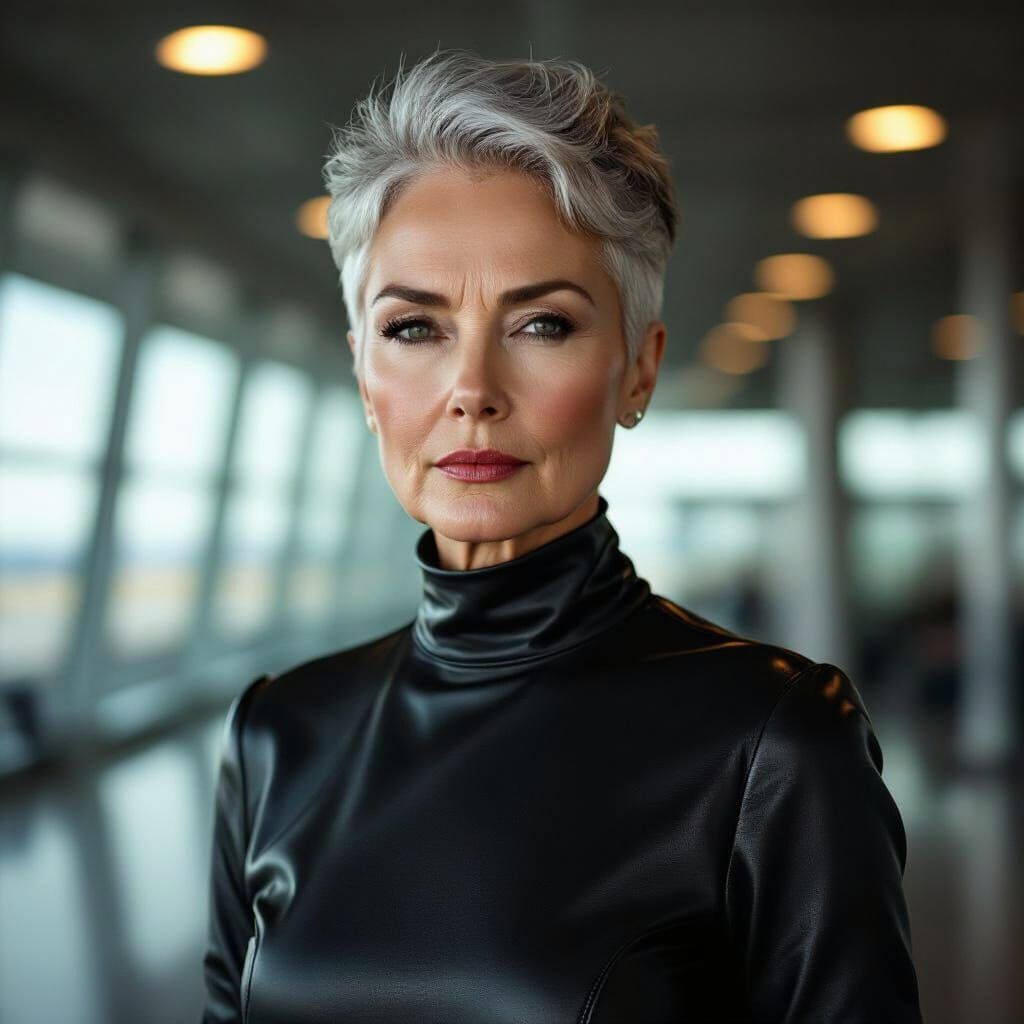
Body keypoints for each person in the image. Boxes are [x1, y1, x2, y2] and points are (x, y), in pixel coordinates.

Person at [201, 47, 923, 1023]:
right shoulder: (278, 734)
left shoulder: (771, 743)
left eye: (541, 324)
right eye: (414, 328)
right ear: (363, 375)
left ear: (638, 368)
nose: (472, 392)